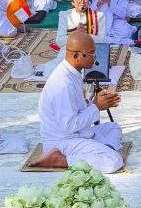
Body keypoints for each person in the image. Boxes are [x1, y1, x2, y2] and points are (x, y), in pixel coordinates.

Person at [35, 30, 124, 172]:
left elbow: (78, 108)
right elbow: (69, 126)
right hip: (64, 140)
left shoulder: (73, 71)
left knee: (113, 127)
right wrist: (96, 107)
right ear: (76, 56)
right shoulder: (63, 84)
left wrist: (94, 102)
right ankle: (61, 160)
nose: (95, 59)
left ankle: (98, 152)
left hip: (79, 133)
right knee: (114, 161)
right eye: (91, 54)